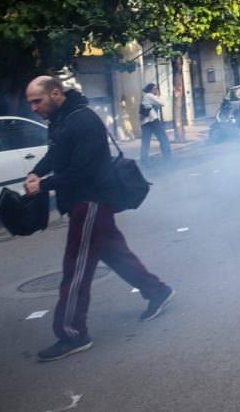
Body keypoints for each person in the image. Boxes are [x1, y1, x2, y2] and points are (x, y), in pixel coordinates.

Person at [24, 77, 174, 362]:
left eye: (37, 101)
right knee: (116, 254)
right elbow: (57, 154)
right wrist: (36, 171)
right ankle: (158, 291)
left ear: (56, 94)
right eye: (31, 102)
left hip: (90, 200)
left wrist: (42, 186)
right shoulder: (62, 118)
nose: (33, 108)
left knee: (76, 267)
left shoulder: (82, 121)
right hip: (84, 200)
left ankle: (72, 332)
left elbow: (84, 171)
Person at [139, 83, 172, 167]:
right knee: (164, 139)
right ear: (150, 90)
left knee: (145, 142)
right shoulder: (149, 95)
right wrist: (158, 95)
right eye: (155, 89)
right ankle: (168, 159)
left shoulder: (146, 96)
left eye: (156, 89)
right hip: (152, 121)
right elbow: (161, 103)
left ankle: (144, 161)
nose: (156, 90)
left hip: (145, 122)